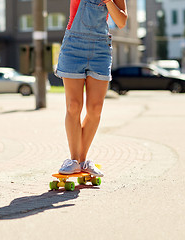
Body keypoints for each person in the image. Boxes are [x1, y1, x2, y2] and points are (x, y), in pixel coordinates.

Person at [55, 0, 127, 176]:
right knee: (74, 106)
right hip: (73, 47)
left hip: (100, 49)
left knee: (95, 109)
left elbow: (121, 21)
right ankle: (73, 160)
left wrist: (109, 1)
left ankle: (82, 160)